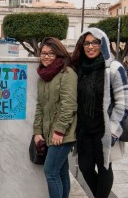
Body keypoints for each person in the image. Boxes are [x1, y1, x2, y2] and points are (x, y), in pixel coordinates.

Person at [71, 27, 128, 198]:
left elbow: (125, 102)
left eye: (95, 43)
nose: (90, 47)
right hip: (84, 130)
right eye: (86, 43)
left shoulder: (113, 68)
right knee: (85, 167)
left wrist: (113, 131)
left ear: (103, 44)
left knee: (105, 167)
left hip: (104, 130)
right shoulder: (80, 68)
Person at [33, 37, 77, 198]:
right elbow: (40, 106)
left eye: (51, 53)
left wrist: (59, 131)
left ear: (59, 54)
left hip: (63, 133)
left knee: (50, 171)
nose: (46, 56)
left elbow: (69, 105)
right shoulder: (43, 77)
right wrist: (37, 131)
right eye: (43, 53)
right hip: (48, 132)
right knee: (62, 172)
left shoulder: (67, 73)